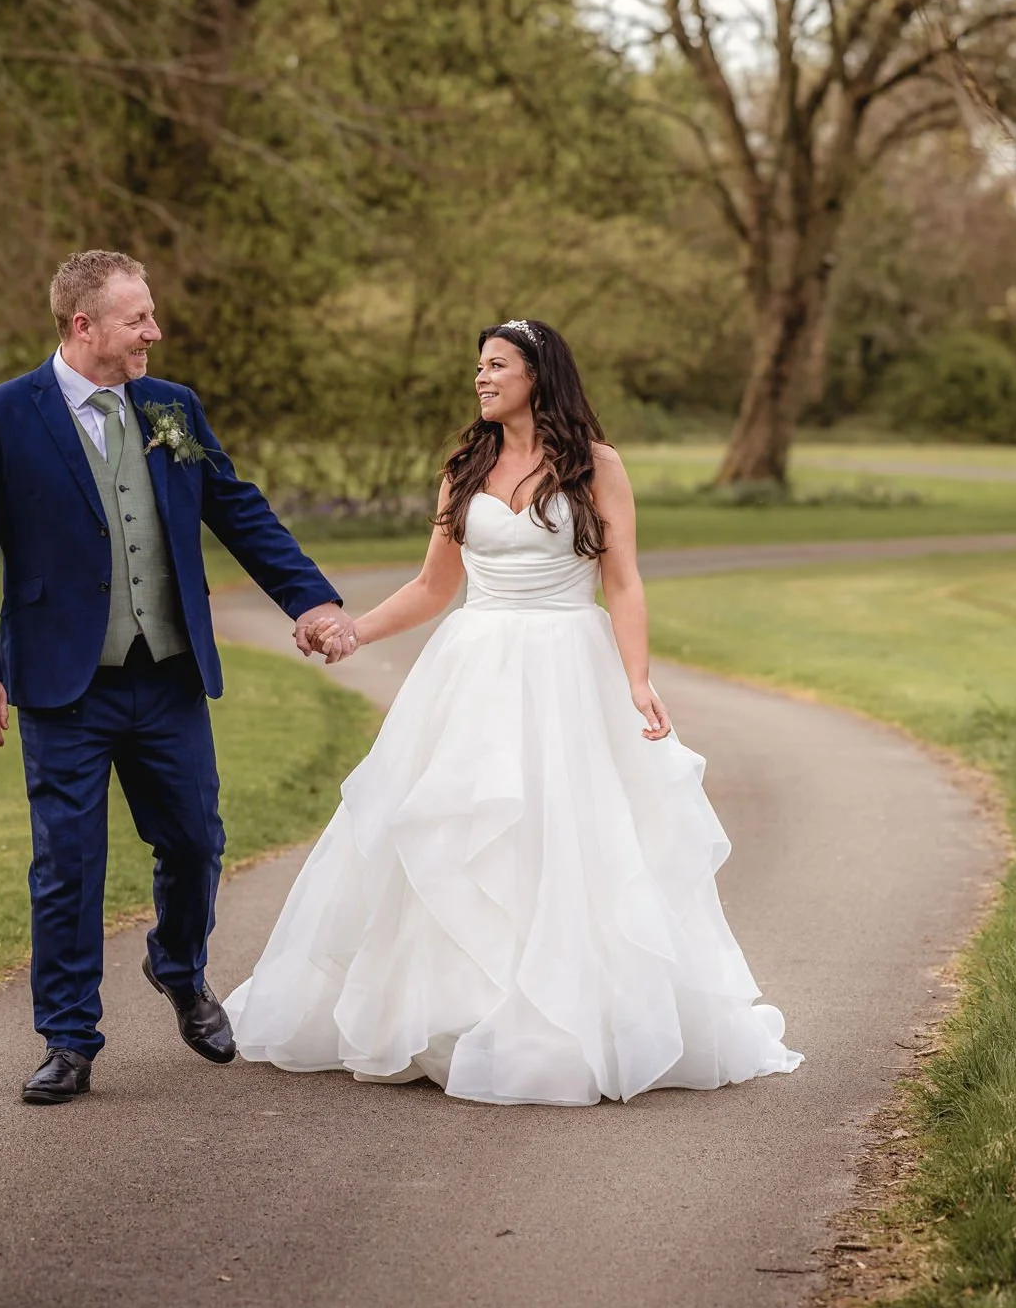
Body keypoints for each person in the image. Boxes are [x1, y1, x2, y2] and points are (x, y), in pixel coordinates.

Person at [223, 319, 802, 1105]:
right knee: (456, 826)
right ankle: (453, 1015)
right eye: (478, 367)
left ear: (538, 374)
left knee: (568, 836)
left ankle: (562, 1022)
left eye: (496, 365)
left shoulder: (597, 466)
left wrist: (637, 678)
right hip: (473, 670)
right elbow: (434, 586)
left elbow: (622, 580)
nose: (481, 378)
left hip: (570, 666)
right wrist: (355, 628)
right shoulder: (466, 465)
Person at [0, 250, 355, 1106]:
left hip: (165, 674)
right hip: (63, 683)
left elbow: (237, 507)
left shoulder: (171, 408)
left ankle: (177, 966)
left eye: (151, 315)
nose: (154, 332)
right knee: (68, 863)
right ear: (83, 325)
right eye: (138, 319)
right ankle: (68, 1038)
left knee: (197, 840)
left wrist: (308, 599)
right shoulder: (0, 417)